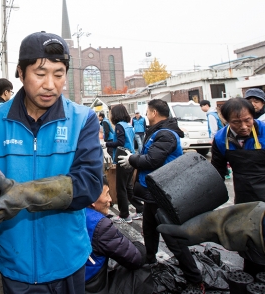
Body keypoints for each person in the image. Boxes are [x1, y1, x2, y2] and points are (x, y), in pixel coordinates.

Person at [0, 31, 103, 294]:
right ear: (20, 72)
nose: (50, 84)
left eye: (59, 74)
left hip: (67, 258)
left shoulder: (83, 119)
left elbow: (89, 183)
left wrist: (25, 195)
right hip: (12, 261)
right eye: (40, 74)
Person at [117, 99, 204, 293]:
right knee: (149, 229)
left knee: (172, 236)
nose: (147, 114)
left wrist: (132, 159)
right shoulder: (158, 131)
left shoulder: (166, 134)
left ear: (154, 112)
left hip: (163, 193)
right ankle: (150, 261)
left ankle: (194, 279)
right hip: (152, 193)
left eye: (148, 111)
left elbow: (153, 160)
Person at [210, 97, 265, 275]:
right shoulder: (220, 139)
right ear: (226, 121)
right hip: (244, 197)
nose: (243, 126)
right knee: (250, 239)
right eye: (236, 122)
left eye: (247, 120)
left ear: (253, 116)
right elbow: (217, 171)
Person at [85, 174, 146, 294]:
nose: (110, 200)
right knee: (141, 272)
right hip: (89, 285)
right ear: (92, 200)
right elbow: (135, 258)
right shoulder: (99, 225)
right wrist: (139, 246)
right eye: (107, 193)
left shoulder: (69, 214)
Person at [104, 104, 139, 224]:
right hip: (131, 157)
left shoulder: (119, 126)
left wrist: (106, 144)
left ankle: (124, 215)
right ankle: (140, 208)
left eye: (111, 113)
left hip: (123, 159)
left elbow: (120, 142)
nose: (110, 115)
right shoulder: (128, 125)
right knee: (129, 187)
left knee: (121, 188)